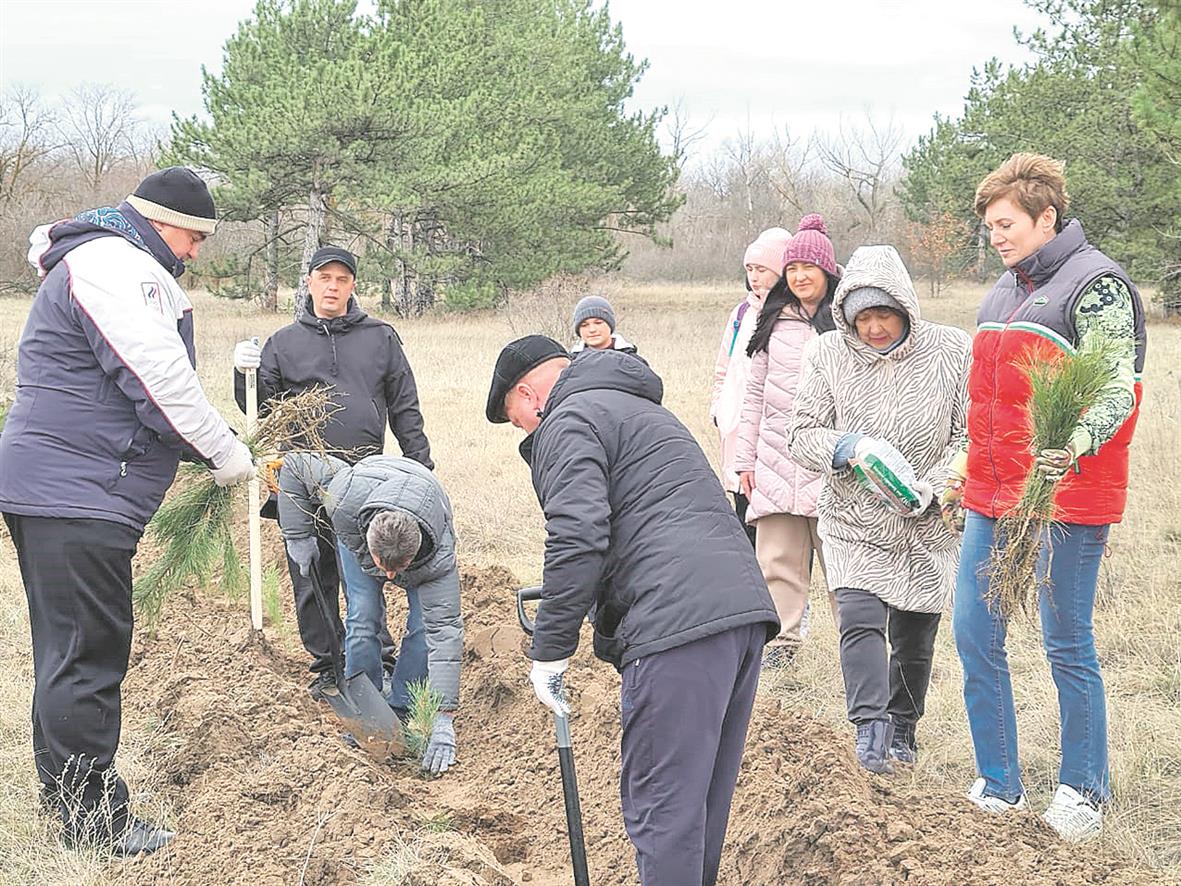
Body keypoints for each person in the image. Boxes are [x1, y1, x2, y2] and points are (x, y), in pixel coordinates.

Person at [0, 168, 255, 855]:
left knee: (68, 652)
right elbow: (157, 376)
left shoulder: (102, 258)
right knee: (87, 655)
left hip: (63, 488)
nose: (196, 252)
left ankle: (70, 805)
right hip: (77, 491)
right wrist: (223, 451)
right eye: (192, 236)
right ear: (156, 219)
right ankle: (97, 824)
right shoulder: (116, 263)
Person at [486, 335, 779, 886]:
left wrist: (549, 651)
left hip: (674, 624)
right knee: (698, 809)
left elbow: (577, 536)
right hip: (739, 613)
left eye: (515, 417)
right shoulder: (641, 408)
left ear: (527, 395)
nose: (525, 429)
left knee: (662, 810)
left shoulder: (567, 420)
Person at [946, 153, 1147, 841]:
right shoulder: (1000, 294)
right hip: (991, 496)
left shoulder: (1095, 286)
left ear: (1044, 218)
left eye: (1005, 224)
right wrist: (961, 473)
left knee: (1065, 641)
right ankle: (998, 783)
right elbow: (986, 404)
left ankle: (1082, 791)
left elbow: (1118, 386)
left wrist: (1076, 443)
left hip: (1066, 495)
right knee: (975, 633)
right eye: (988, 227)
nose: (995, 237)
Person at [788, 245, 971, 773]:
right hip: (854, 520)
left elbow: (966, 434)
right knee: (860, 619)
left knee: (914, 635)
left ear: (906, 309)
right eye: (862, 317)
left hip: (925, 525)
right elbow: (801, 435)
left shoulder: (951, 350)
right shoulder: (828, 354)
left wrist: (932, 490)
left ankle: (903, 730)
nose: (873, 328)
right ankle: (871, 730)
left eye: (884, 315)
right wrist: (849, 450)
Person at [232, 246, 432, 701]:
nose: (332, 286)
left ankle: (375, 656)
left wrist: (420, 466)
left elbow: (405, 406)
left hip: (366, 478)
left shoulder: (381, 337)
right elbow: (257, 410)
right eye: (324, 278)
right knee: (310, 571)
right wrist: (242, 372)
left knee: (365, 571)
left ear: (353, 286)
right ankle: (327, 664)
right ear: (309, 282)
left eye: (342, 279)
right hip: (301, 478)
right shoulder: (283, 343)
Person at [277, 452, 462, 775]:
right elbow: (294, 464)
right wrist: (298, 535)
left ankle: (403, 706)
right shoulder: (344, 496)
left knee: (422, 628)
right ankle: (366, 709)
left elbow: (444, 632)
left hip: (424, 502)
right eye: (382, 566)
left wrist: (444, 716)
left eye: (399, 569)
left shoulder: (437, 558)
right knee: (362, 616)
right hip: (366, 503)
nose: (390, 578)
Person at [734, 214, 840, 666]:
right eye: (792, 268)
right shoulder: (770, 320)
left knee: (841, 561)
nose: (799, 277)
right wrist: (744, 460)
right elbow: (753, 394)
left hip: (829, 461)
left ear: (827, 272)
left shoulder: (846, 321)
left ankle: (857, 642)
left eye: (808, 269)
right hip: (775, 458)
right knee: (776, 560)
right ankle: (784, 642)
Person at [711, 227, 792, 546]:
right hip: (736, 434)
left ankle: (786, 596)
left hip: (774, 439)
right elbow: (723, 366)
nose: (755, 277)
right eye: (750, 270)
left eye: (762, 270)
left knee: (776, 530)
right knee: (742, 518)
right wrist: (720, 409)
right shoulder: (741, 313)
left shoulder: (792, 316)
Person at [569, 295, 636, 354]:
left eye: (598, 323)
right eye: (584, 325)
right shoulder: (571, 363)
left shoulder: (631, 362)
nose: (592, 330)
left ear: (610, 325)